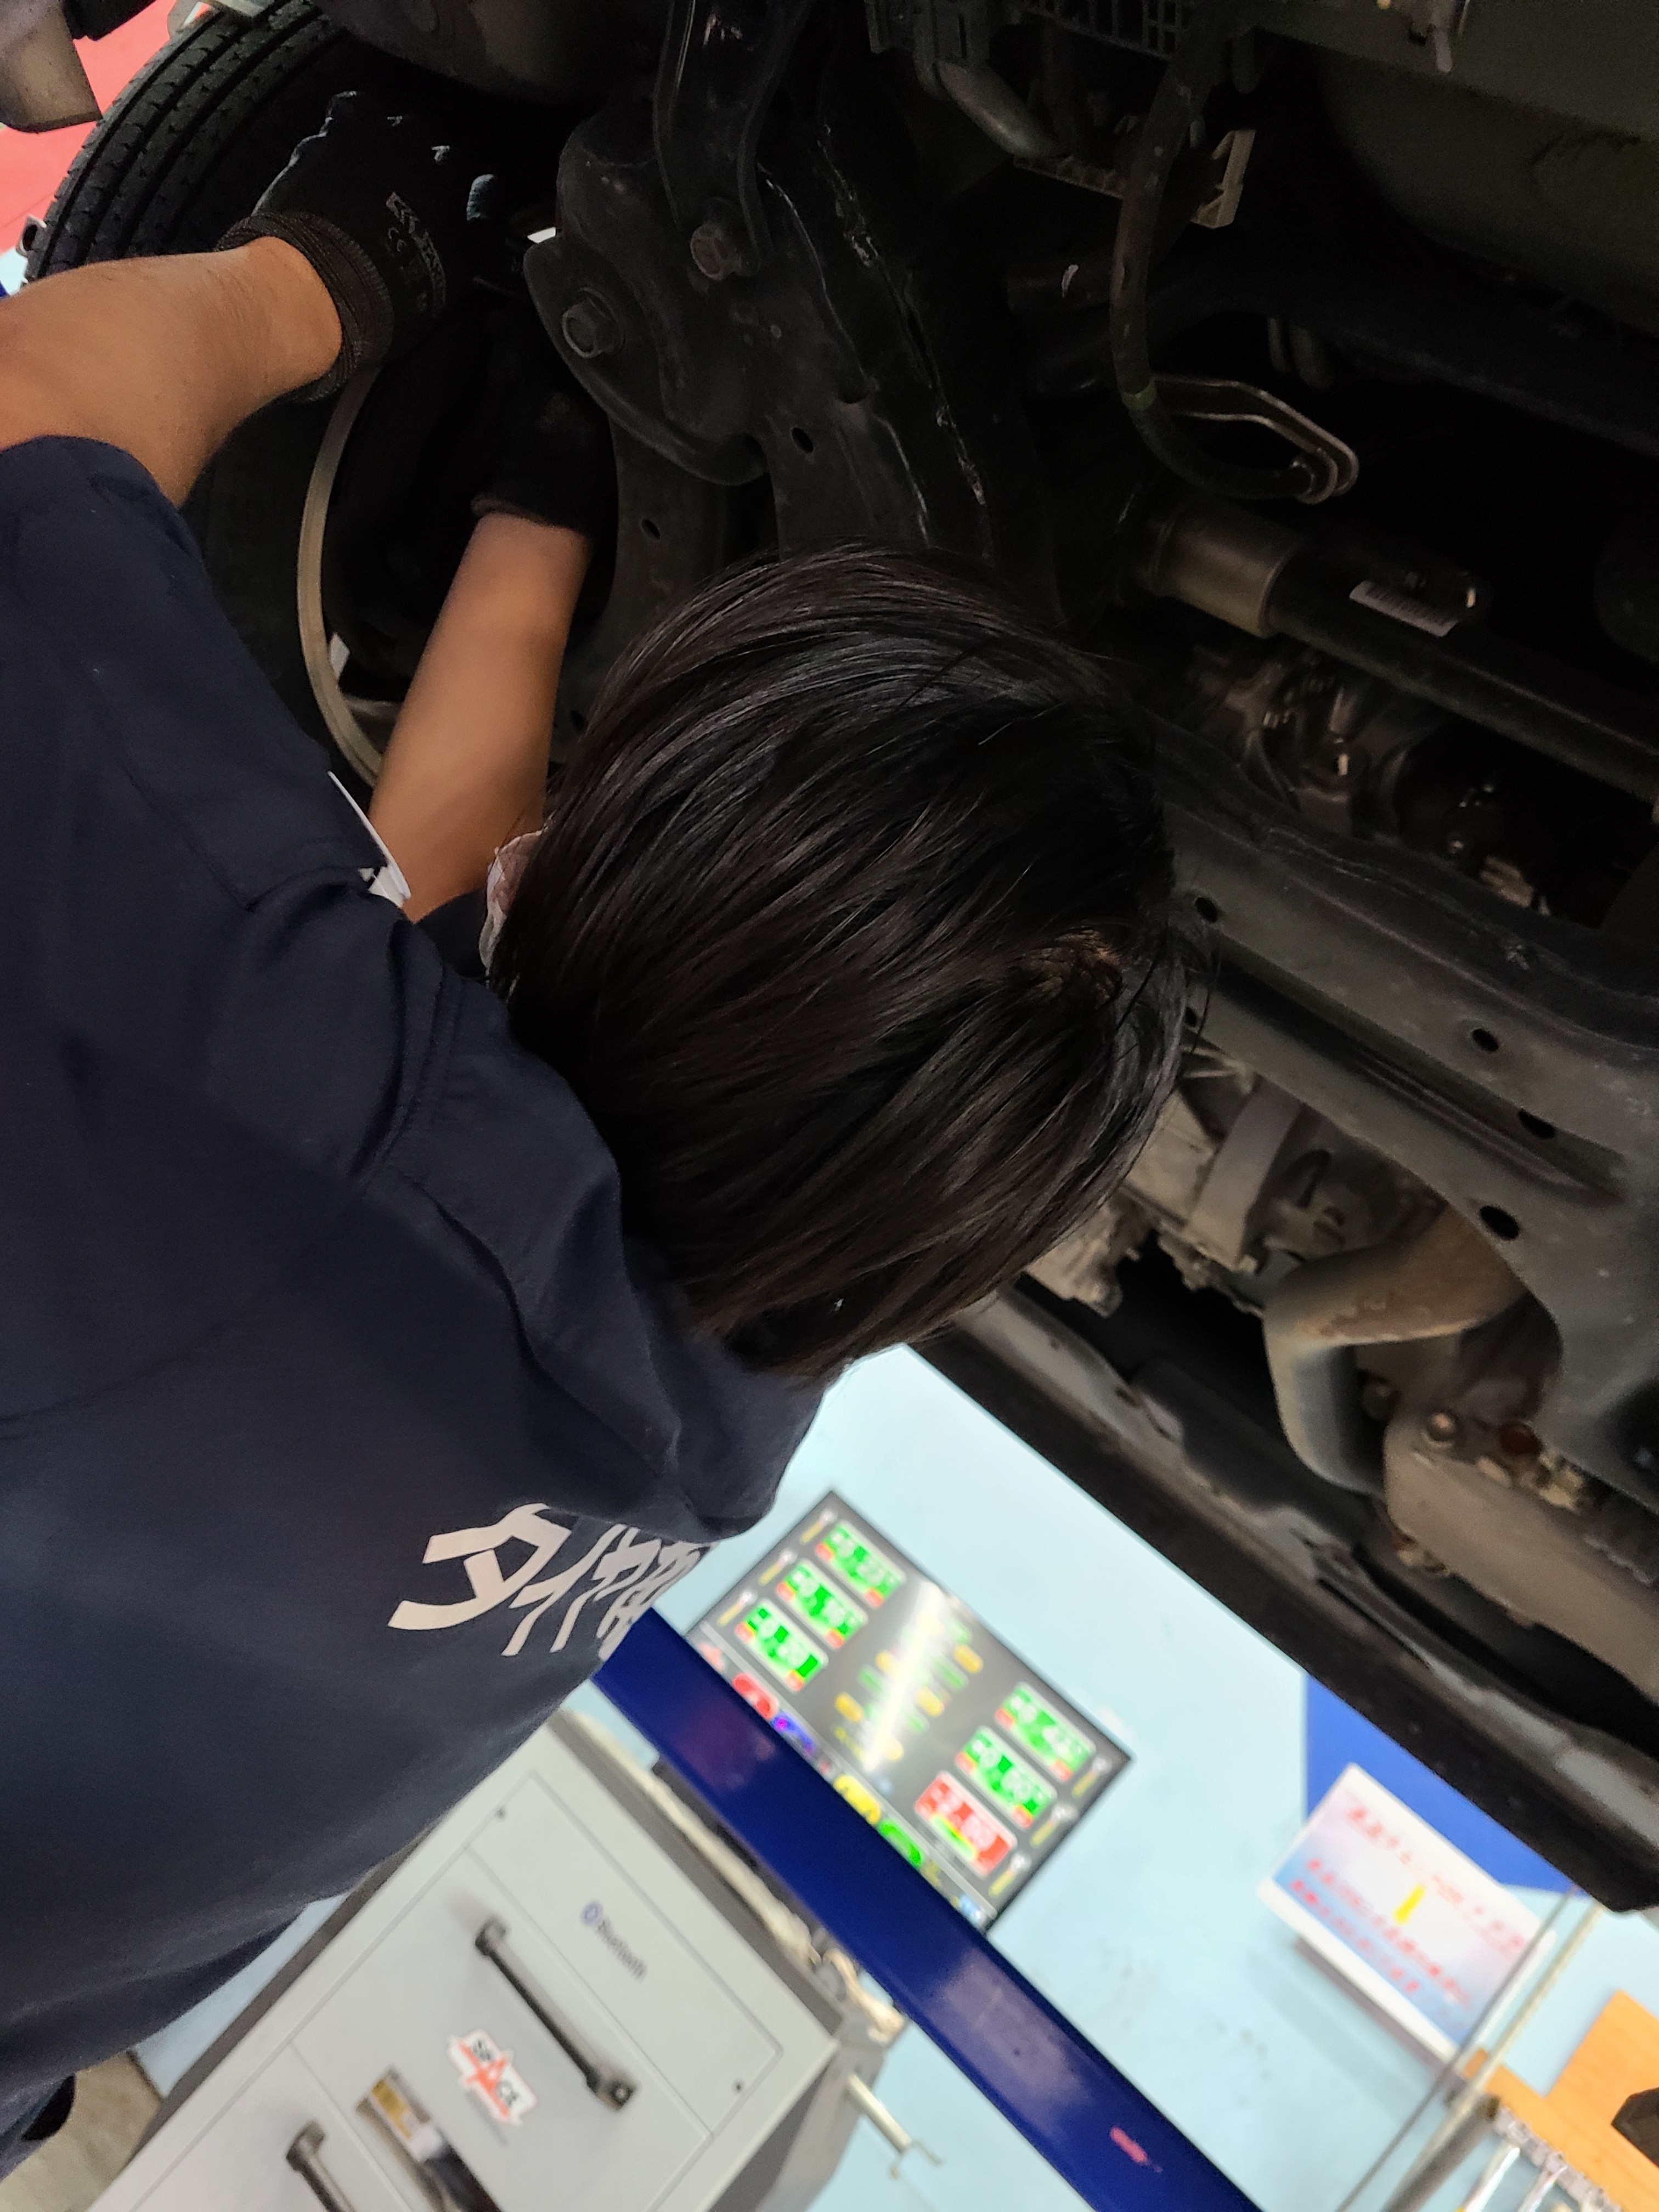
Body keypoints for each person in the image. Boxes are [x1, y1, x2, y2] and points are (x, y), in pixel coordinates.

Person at [0, 94, 1187, 2171]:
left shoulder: (307, 1092)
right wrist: (557, 480)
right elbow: (454, 922)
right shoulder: (702, 1422)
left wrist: (331, 268)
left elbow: (33, 411)